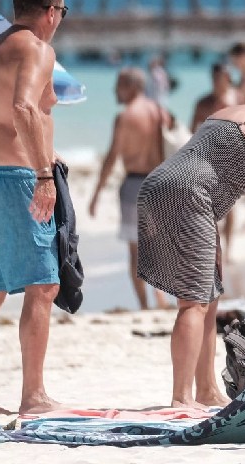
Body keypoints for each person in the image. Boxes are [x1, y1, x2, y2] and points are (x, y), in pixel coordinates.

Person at [0, 0, 69, 418]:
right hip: (16, 180)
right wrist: (44, 175)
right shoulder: (38, 48)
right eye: (62, 12)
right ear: (50, 12)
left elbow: (4, 117)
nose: (60, 20)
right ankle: (33, 395)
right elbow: (24, 107)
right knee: (43, 285)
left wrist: (47, 151)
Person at [137, 100, 245, 408]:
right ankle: (181, 398)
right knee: (194, 303)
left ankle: (205, 388)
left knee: (210, 294)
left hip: (164, 184)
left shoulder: (243, 111)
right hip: (189, 193)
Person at [88, 68, 171, 310]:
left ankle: (144, 304)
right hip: (160, 184)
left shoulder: (125, 117)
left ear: (133, 87)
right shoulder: (160, 113)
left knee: (136, 251)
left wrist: (97, 193)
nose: (115, 90)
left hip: (134, 185)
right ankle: (162, 298)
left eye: (120, 85)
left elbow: (112, 157)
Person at [191, 62, 241, 257]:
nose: (218, 82)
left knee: (230, 207)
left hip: (231, 159)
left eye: (221, 78)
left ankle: (228, 249)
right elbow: (191, 131)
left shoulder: (236, 101)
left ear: (227, 79)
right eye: (215, 78)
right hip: (207, 160)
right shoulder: (203, 103)